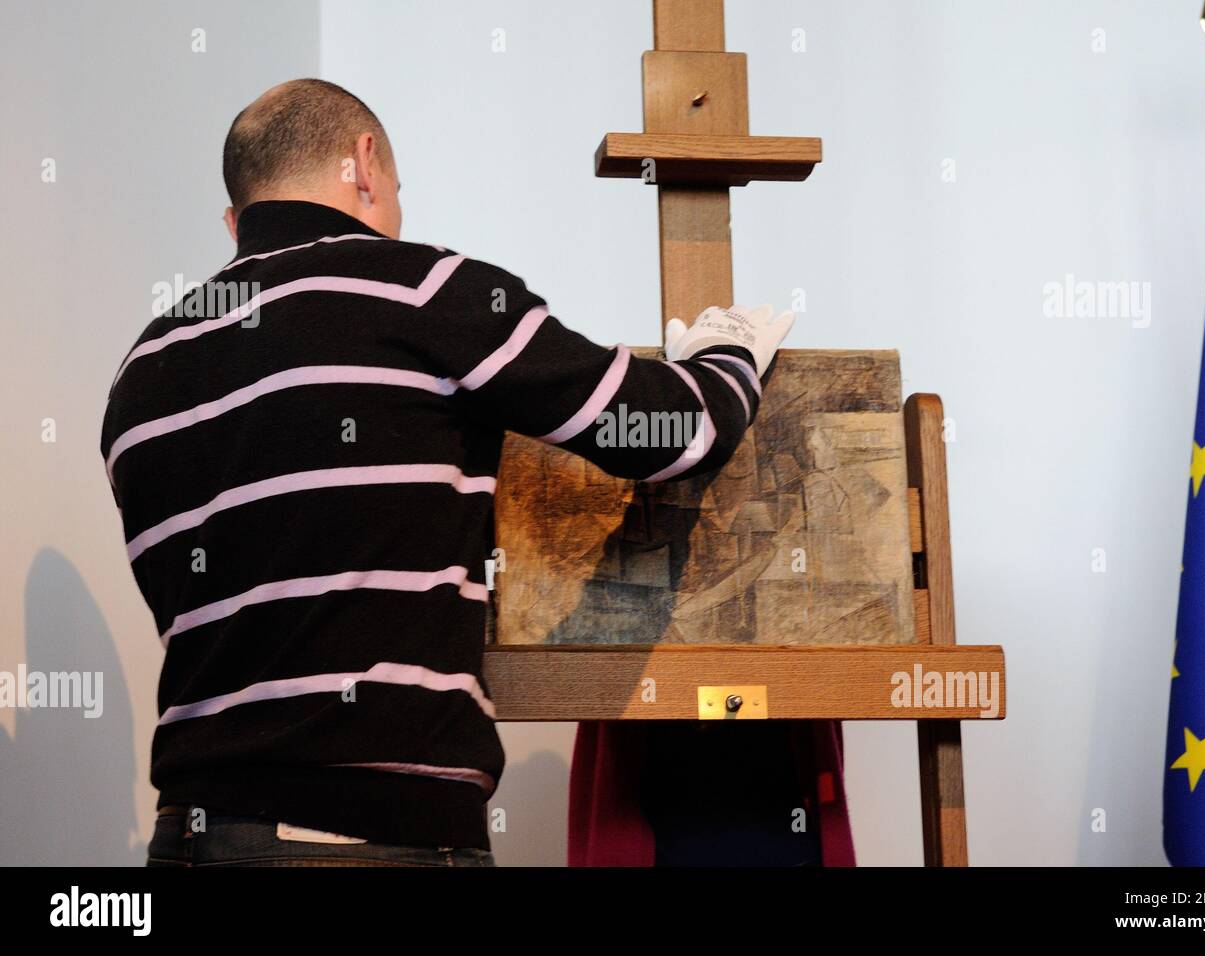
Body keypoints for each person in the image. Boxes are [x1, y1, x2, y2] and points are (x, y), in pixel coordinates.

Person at [99, 78, 793, 866]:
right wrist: (727, 350)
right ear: (364, 164)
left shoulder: (142, 373)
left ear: (238, 217)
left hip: (191, 838)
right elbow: (671, 431)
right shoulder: (420, 291)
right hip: (377, 840)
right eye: (396, 185)